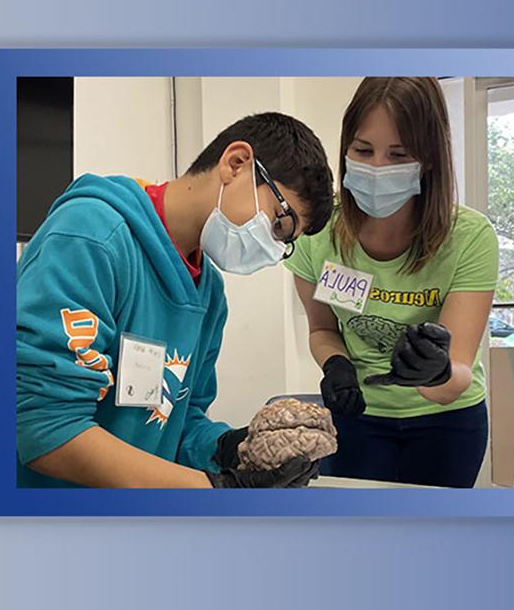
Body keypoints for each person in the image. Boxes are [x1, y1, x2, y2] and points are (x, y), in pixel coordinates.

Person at [17, 113, 336, 488]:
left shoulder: (208, 294)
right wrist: (217, 490)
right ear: (236, 163)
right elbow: (44, 428)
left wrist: (229, 448)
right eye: (279, 223)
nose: (272, 246)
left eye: (285, 241)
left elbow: (178, 422)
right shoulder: (92, 237)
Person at [287, 77, 498, 488]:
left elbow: (457, 374)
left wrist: (435, 374)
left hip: (445, 423)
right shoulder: (316, 230)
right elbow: (322, 329)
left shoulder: (470, 238)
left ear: (430, 159)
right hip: (358, 417)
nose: (376, 168)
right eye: (363, 150)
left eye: (398, 154)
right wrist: (336, 365)